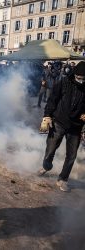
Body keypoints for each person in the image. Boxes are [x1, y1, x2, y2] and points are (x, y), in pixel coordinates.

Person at [38, 61, 85, 192]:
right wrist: (47, 115)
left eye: (84, 78)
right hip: (59, 122)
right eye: (79, 77)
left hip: (76, 127)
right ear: (75, 74)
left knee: (71, 155)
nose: (81, 80)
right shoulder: (64, 83)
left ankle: (63, 179)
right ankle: (46, 166)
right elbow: (52, 99)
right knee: (51, 148)